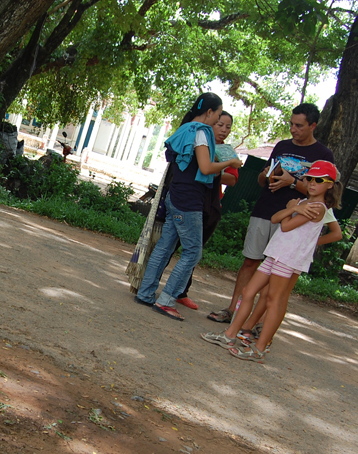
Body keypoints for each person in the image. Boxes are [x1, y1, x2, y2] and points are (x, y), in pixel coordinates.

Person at [201, 161, 344, 362]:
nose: (312, 184)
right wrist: (291, 208)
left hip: (287, 258)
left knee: (273, 300)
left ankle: (259, 348)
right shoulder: (302, 203)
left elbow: (285, 226)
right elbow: (276, 218)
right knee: (249, 292)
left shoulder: (318, 207)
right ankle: (230, 334)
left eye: (319, 180)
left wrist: (291, 211)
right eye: (309, 178)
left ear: (330, 184)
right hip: (275, 252)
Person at [207, 103, 334, 324]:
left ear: (313, 125)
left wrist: (292, 182)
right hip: (264, 210)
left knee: (276, 271)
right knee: (250, 262)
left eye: (299, 126)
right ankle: (233, 310)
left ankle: (255, 322)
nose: (294, 129)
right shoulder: (282, 146)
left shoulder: (323, 155)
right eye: (292, 124)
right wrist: (265, 176)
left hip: (293, 220)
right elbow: (260, 180)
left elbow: (321, 194)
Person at [135, 93, 243, 320]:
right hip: (189, 200)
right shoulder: (201, 132)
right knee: (193, 252)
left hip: (176, 195)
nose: (218, 122)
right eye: (218, 116)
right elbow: (205, 168)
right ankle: (166, 301)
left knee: (165, 246)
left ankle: (145, 293)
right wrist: (230, 163)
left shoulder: (186, 128)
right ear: (210, 112)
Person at [160, 112, 240, 310]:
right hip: (188, 201)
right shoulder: (199, 141)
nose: (223, 129)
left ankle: (179, 292)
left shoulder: (227, 152)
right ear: (211, 122)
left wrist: (216, 169)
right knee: (170, 246)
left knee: (194, 251)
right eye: (220, 124)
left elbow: (232, 179)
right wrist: (212, 167)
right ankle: (155, 288)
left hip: (210, 205)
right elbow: (202, 169)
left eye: (228, 127)